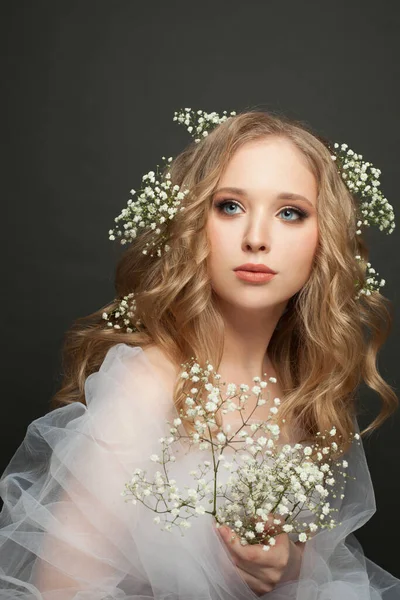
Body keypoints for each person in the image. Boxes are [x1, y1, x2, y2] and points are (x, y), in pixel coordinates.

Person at [1, 109, 400, 599]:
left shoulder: (297, 388)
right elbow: (59, 591)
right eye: (229, 206)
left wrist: (286, 560)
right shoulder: (148, 386)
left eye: (290, 212)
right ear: (192, 223)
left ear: (325, 239)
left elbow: (303, 574)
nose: (257, 237)